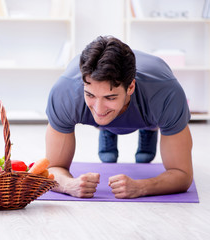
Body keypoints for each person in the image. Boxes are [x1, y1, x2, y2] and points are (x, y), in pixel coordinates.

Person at [45, 36, 193, 199]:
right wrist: (68, 185)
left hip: (149, 108)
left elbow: (182, 175)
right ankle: (106, 128)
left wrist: (141, 187)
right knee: (103, 116)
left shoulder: (165, 93)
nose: (99, 108)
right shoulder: (64, 93)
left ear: (130, 87)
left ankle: (149, 129)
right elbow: (53, 168)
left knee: (147, 144)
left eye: (110, 97)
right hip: (113, 111)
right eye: (90, 94)